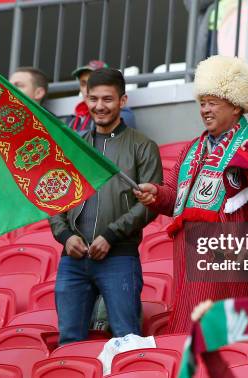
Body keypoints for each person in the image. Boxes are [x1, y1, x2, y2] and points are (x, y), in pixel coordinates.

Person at [134, 55, 248, 333]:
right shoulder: (192, 148)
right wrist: (156, 194)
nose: (205, 110)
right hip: (187, 252)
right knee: (186, 323)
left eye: (213, 103)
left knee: (216, 329)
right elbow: (173, 196)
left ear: (236, 107)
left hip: (228, 253)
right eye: (202, 103)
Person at [49, 68, 162, 345]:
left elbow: (150, 204)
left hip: (119, 257)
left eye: (108, 99)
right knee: (69, 343)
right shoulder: (74, 147)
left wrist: (111, 235)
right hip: (72, 260)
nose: (99, 106)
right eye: (93, 98)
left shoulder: (143, 146)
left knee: (126, 339)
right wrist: (65, 236)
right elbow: (54, 198)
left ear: (122, 101)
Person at [63, 60, 136, 134]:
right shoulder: (72, 119)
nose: (86, 89)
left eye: (92, 84)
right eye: (83, 84)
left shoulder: (121, 115)